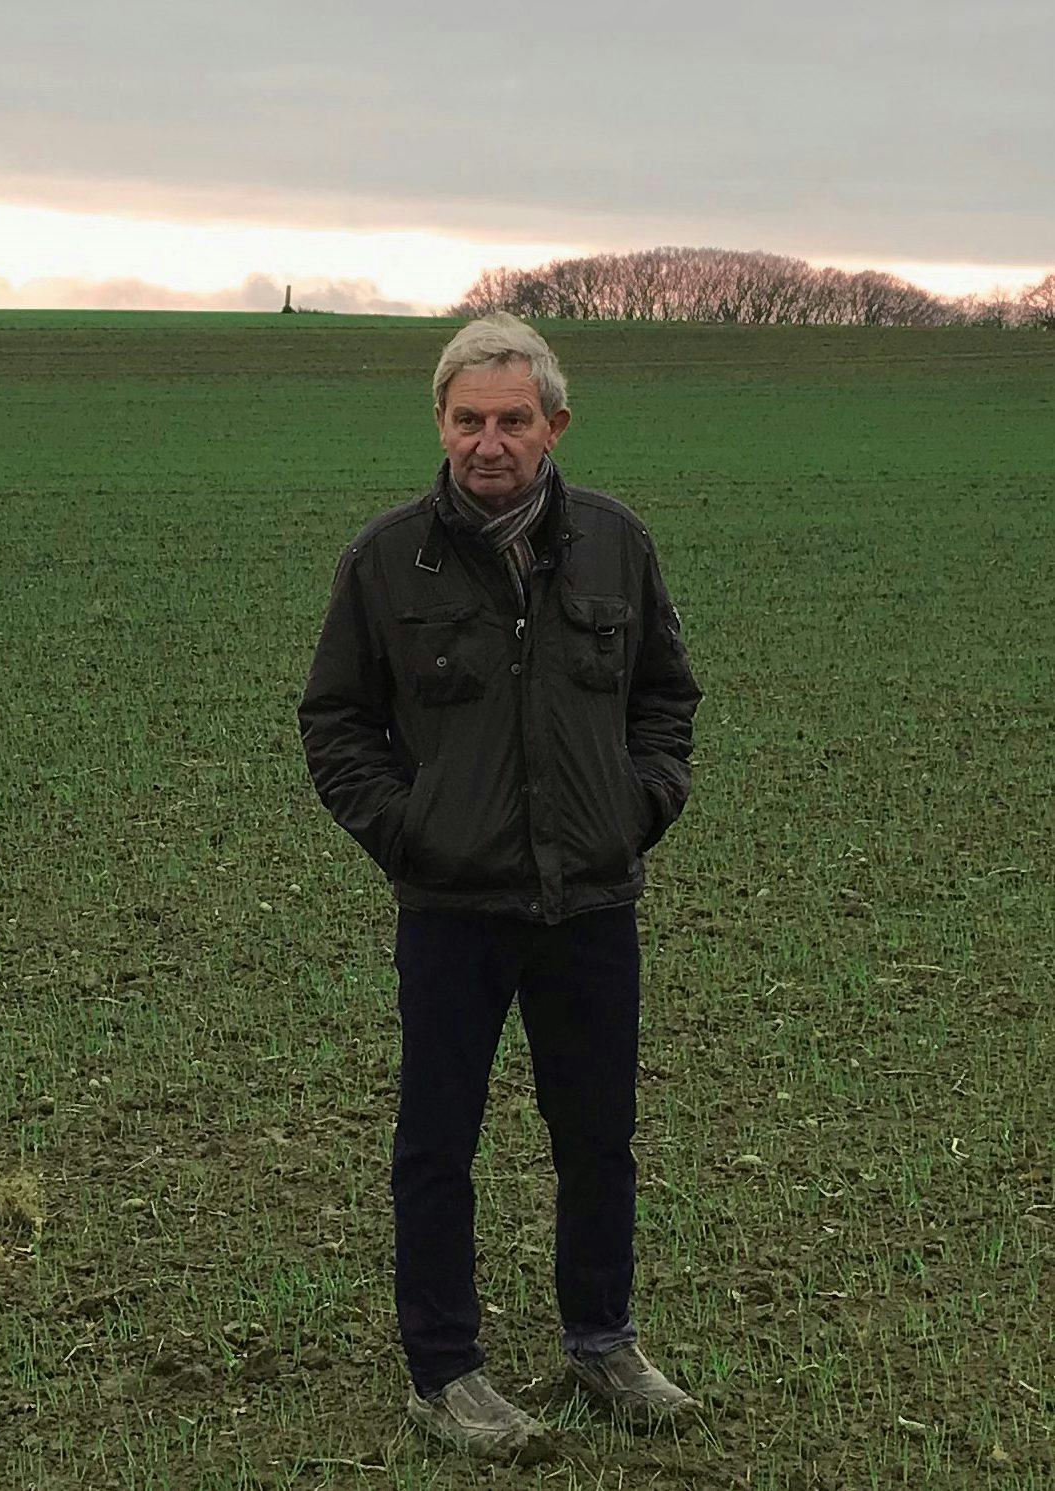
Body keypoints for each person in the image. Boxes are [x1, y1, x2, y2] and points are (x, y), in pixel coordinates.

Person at [296, 313, 705, 1460]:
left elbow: (665, 699)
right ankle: (443, 1371)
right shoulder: (385, 562)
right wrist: (408, 834)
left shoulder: (615, 545)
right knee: (436, 1144)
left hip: (588, 902)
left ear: (552, 424)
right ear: (439, 422)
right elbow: (333, 723)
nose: (488, 441)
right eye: (467, 418)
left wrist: (637, 806)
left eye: (511, 420)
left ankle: (601, 1340)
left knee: (597, 1136)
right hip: (452, 911)